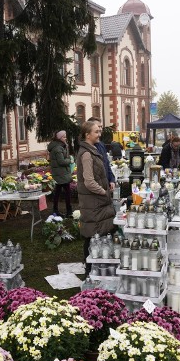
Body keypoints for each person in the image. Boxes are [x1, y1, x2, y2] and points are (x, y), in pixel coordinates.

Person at [77, 120, 116, 276]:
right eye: (96, 132)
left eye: (99, 131)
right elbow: (89, 181)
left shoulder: (92, 149)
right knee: (91, 235)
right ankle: (89, 272)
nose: (99, 134)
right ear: (87, 135)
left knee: (97, 233)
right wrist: (103, 192)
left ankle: (97, 269)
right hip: (93, 201)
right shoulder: (86, 153)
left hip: (96, 201)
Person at [48, 130, 73, 218]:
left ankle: (55, 210)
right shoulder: (58, 148)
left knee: (58, 192)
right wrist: (70, 160)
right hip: (61, 174)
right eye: (64, 137)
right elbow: (61, 161)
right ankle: (69, 211)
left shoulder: (59, 146)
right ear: (60, 138)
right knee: (67, 193)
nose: (65, 138)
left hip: (61, 173)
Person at [87, 117, 115, 192]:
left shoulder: (101, 144)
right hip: (97, 190)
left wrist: (112, 179)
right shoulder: (87, 150)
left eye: (101, 127)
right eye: (98, 127)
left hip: (104, 186)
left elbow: (106, 163)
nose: (100, 129)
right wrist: (102, 191)